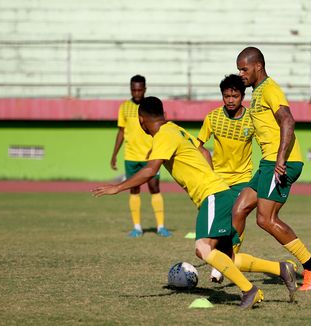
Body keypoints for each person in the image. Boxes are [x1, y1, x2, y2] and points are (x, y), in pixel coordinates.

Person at [92, 96, 298, 308]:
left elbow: (150, 170)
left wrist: (118, 187)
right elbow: (203, 150)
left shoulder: (163, 135)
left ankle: (250, 290)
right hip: (221, 192)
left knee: (203, 249)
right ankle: (281, 269)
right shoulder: (174, 129)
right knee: (228, 257)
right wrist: (208, 176)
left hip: (213, 196)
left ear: (141, 119)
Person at [233, 47, 311, 291]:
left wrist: (281, 158)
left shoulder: (271, 89)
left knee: (265, 219)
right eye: (238, 69)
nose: (241, 74)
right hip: (268, 162)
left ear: (258, 67)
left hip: (281, 162)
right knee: (239, 208)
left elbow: (288, 119)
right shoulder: (257, 93)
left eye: (244, 69)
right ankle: (226, 264)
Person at [197, 74, 254, 283]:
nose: (230, 100)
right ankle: (223, 261)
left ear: (243, 96)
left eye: (235, 96)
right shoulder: (213, 117)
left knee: (237, 217)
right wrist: (209, 169)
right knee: (220, 222)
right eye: (226, 96)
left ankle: (224, 264)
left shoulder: (252, 119)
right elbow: (199, 145)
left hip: (243, 178)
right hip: (218, 180)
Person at [110, 75, 171, 238]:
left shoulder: (149, 107)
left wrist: (157, 148)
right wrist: (114, 154)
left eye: (139, 89)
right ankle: (137, 227)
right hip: (131, 156)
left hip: (150, 155)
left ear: (145, 89)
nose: (136, 92)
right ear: (131, 89)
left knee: (154, 187)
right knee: (134, 189)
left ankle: (161, 227)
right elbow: (121, 131)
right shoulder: (124, 107)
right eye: (133, 89)